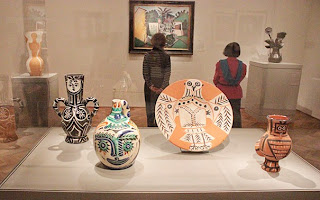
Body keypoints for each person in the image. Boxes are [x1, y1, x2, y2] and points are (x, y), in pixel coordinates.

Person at [213, 42, 247, 128]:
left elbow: (216, 79)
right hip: (236, 92)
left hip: (222, 91)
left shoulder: (220, 64)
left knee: (221, 112)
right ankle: (237, 131)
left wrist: (219, 85)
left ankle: (220, 129)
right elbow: (241, 77)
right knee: (236, 113)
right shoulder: (243, 66)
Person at [143, 33, 171, 127]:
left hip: (150, 87)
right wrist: (162, 87)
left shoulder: (147, 55)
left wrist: (151, 86)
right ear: (164, 42)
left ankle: (150, 128)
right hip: (162, 86)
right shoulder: (166, 56)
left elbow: (146, 73)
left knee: (150, 110)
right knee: (161, 110)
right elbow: (167, 74)